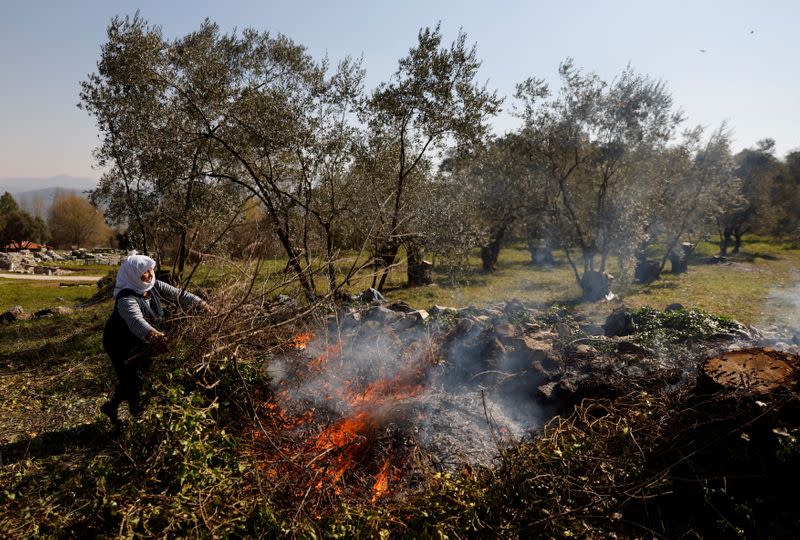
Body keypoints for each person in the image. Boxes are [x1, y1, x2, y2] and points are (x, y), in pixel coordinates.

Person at [100, 253, 213, 425]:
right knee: (132, 380)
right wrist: (155, 336)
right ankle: (138, 419)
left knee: (141, 374)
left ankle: (112, 406)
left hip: (142, 341)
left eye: (151, 269)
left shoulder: (152, 285)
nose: (151, 274)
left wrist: (202, 304)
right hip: (120, 343)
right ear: (133, 274)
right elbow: (136, 321)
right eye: (145, 272)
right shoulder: (126, 298)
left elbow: (180, 295)